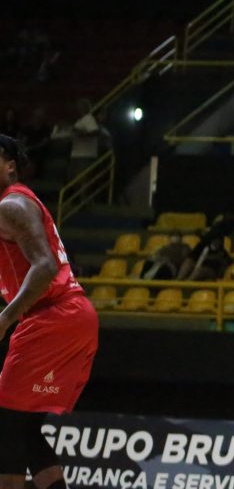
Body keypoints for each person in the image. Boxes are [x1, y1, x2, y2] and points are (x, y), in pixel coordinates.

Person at [0, 134, 100, 489]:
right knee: (25, 428)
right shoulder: (12, 207)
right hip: (68, 316)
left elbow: (44, 267)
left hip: (53, 314)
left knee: (5, 425)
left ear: (10, 166)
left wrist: (5, 319)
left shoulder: (11, 205)